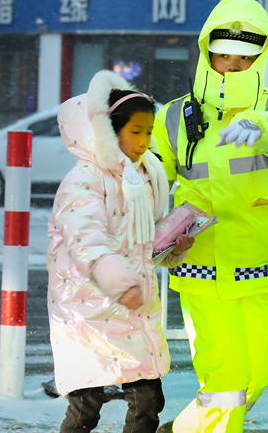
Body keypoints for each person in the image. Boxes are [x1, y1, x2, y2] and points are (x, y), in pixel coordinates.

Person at [152, 0, 268, 432]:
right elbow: (147, 176)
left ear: (260, 56)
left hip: (260, 260)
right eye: (224, 55)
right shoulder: (173, 116)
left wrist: (263, 125)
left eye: (244, 59)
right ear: (207, 53)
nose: (232, 66)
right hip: (199, 261)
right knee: (225, 378)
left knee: (260, 372)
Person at [46, 69, 194, 433]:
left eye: (149, 131)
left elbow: (144, 243)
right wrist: (118, 280)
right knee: (86, 406)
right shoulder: (83, 180)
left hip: (133, 304)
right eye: (136, 132)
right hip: (89, 307)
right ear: (108, 132)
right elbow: (87, 239)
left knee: (148, 401)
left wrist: (174, 246)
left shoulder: (144, 175)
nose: (145, 141)